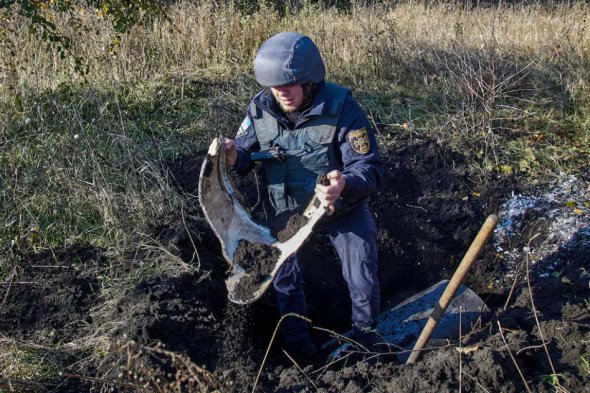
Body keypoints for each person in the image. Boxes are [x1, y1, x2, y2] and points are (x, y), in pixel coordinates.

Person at [222, 32, 384, 362]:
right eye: (274, 85)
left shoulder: (341, 106)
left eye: (290, 84)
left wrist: (345, 184)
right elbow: (245, 158)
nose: (281, 92)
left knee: (361, 271)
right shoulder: (260, 108)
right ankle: (300, 352)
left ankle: (366, 343)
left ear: (310, 81)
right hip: (288, 212)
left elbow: (369, 167)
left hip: (340, 206)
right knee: (283, 278)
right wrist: (232, 156)